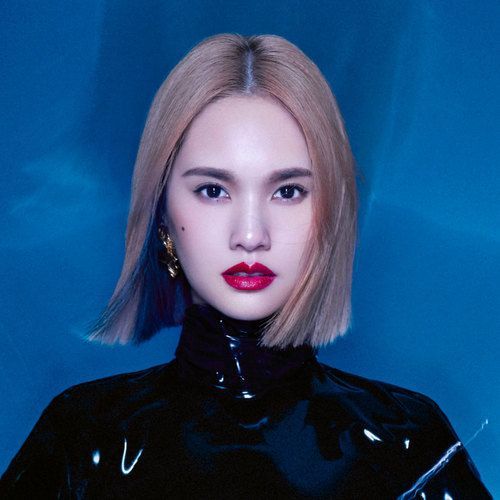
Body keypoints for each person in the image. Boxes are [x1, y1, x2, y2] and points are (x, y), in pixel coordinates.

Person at [0, 33, 491, 499]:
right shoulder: (85, 439)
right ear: (162, 215)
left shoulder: (407, 444)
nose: (251, 235)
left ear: (331, 215)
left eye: (288, 191)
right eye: (213, 190)